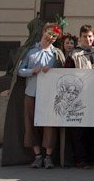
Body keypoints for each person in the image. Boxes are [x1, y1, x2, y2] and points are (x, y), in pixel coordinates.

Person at [18, 23, 66, 169]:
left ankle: (48, 157)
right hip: (31, 93)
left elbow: (62, 72)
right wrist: (33, 71)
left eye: (54, 36)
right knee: (30, 124)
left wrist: (51, 70)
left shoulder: (56, 54)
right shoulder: (30, 51)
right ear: (44, 32)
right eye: (49, 33)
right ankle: (37, 156)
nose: (51, 37)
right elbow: (20, 70)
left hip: (49, 96)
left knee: (49, 125)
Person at [64, 25, 94, 168]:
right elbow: (68, 75)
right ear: (80, 38)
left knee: (93, 129)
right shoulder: (74, 54)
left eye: (90, 36)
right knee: (79, 130)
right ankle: (80, 158)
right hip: (79, 98)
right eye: (85, 36)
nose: (88, 39)